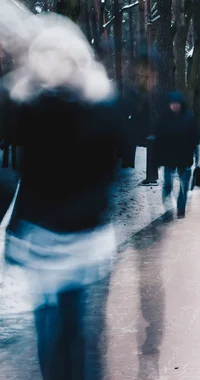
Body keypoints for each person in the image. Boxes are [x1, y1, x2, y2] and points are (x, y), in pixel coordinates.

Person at [0, 11, 123, 380]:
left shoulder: (98, 106)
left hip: (82, 237)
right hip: (41, 237)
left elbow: (103, 172)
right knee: (51, 332)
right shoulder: (26, 103)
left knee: (79, 332)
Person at [154, 91, 199, 218]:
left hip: (185, 157)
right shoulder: (163, 119)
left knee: (184, 186)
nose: (174, 106)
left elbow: (195, 137)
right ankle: (167, 209)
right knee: (168, 185)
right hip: (168, 158)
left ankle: (181, 209)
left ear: (181, 104)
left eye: (177, 104)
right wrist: (157, 158)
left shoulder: (189, 118)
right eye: (172, 104)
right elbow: (158, 139)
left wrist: (195, 153)